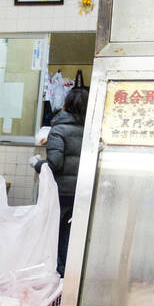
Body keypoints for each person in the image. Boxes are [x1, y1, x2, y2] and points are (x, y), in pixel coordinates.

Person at [38, 85, 87, 276]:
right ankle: (69, 275)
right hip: (82, 192)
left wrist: (37, 164)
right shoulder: (93, 129)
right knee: (72, 235)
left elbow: (55, 163)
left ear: (67, 104)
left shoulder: (59, 128)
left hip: (61, 192)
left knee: (52, 233)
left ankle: (55, 274)